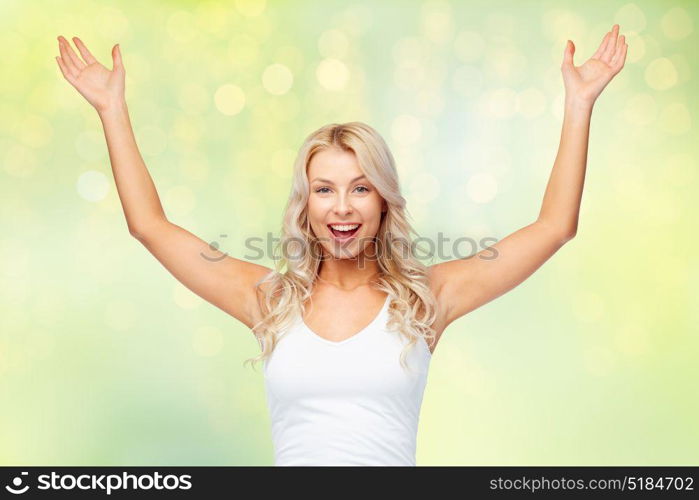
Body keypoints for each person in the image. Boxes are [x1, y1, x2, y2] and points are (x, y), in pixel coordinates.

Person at [55, 25, 627, 466]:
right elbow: (150, 226)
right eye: (324, 190)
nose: (343, 207)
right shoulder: (268, 300)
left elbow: (554, 226)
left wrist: (580, 105)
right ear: (305, 206)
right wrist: (111, 110)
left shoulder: (427, 299)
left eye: (361, 188)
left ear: (384, 202)